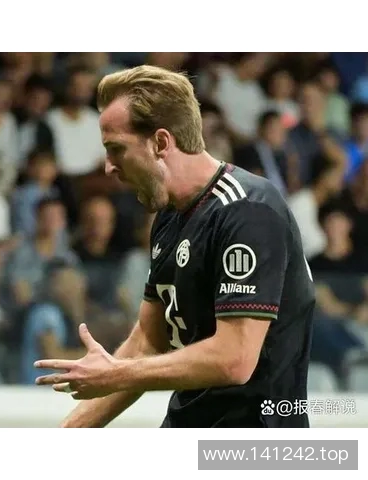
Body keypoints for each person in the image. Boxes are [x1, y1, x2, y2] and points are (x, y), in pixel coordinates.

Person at [34, 65, 315, 428]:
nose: (108, 167)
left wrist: (116, 374)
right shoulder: (170, 215)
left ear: (161, 143)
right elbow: (147, 342)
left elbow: (235, 358)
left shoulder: (248, 210)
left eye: (116, 149)